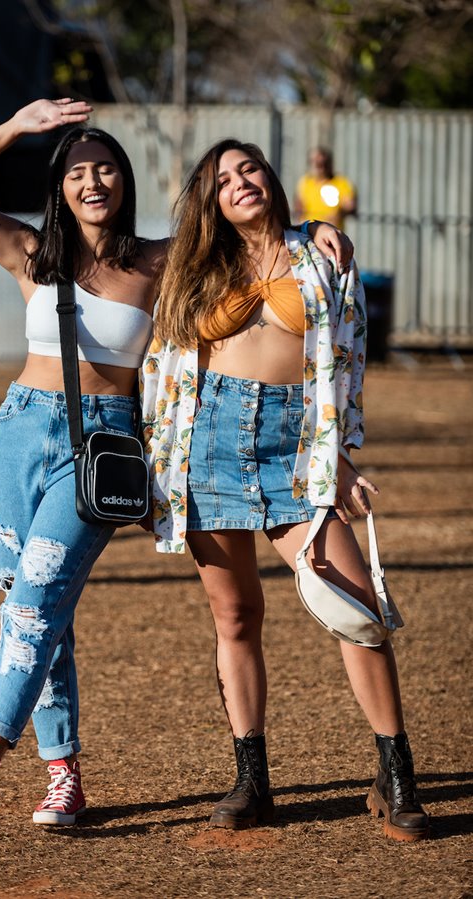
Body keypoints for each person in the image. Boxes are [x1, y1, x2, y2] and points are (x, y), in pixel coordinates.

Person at [0, 99, 352, 827]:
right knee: (35, 610)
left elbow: (240, 235)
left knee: (37, 598)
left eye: (106, 168)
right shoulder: (32, 253)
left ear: (125, 182)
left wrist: (315, 228)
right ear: (60, 187)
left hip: (103, 444)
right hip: (17, 435)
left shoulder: (157, 259)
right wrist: (16, 128)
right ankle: (64, 778)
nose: (94, 181)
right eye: (78, 171)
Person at [142, 138, 429, 842]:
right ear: (209, 200)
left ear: (271, 180)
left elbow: (350, 362)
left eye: (249, 170)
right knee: (235, 617)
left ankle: (395, 778)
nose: (240, 182)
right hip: (207, 445)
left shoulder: (322, 254)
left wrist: (347, 458)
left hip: (294, 448)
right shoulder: (195, 263)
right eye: (222, 179)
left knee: (356, 606)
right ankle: (252, 779)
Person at [294, 145, 357, 231]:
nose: (320, 167)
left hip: (331, 232)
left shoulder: (341, 182)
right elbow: (299, 206)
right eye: (316, 163)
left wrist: (339, 213)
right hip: (309, 233)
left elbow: (350, 206)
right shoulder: (305, 182)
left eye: (322, 163)